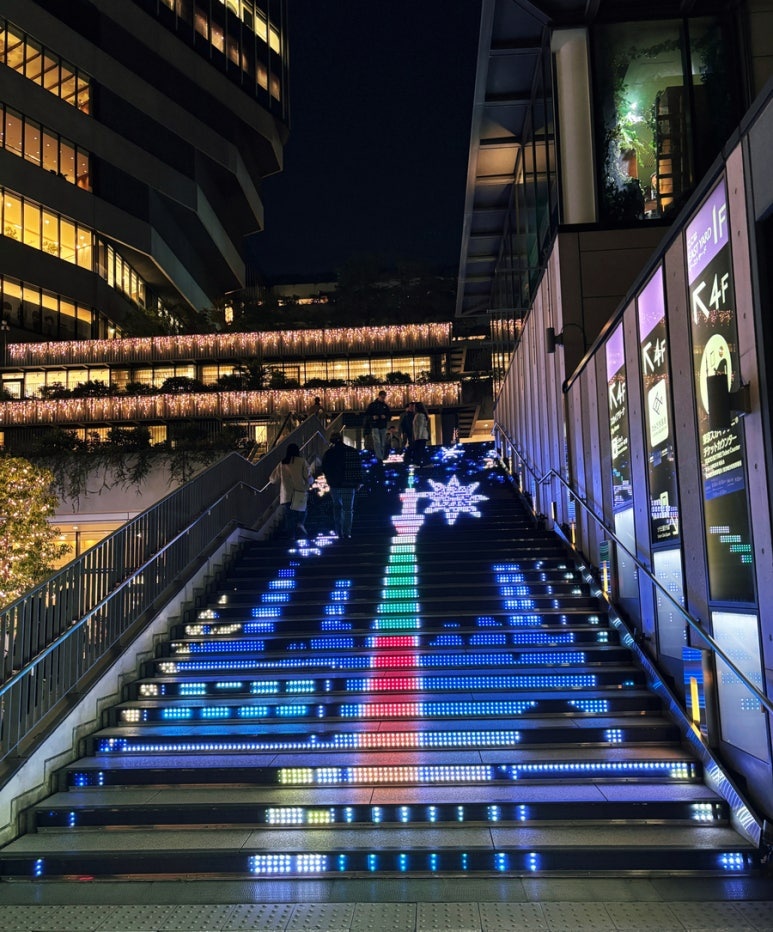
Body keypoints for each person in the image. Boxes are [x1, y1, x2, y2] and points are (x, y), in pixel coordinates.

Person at [321, 432, 363, 539]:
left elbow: (325, 469)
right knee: (348, 509)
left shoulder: (329, 453)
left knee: (337, 508)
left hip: (334, 485)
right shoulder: (351, 451)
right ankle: (346, 532)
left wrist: (329, 481)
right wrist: (358, 482)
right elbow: (357, 467)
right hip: (349, 485)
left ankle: (338, 531)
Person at [270, 443, 312, 539]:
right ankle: (300, 524)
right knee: (302, 511)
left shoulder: (282, 463)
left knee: (289, 516)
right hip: (300, 492)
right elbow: (308, 476)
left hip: (286, 494)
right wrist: (310, 482)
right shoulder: (302, 461)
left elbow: (273, 479)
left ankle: (291, 537)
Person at [364, 390, 390, 460]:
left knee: (381, 442)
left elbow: (389, 416)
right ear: (379, 396)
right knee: (378, 442)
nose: (383, 399)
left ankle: (380, 456)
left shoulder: (384, 406)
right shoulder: (373, 405)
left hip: (381, 425)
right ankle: (380, 457)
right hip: (376, 425)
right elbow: (367, 415)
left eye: (384, 397)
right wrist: (373, 417)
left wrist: (385, 417)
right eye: (382, 397)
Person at [412, 401, 430, 467]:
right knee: (420, 449)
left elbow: (420, 426)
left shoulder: (420, 415)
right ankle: (423, 463)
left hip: (421, 436)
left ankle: (421, 463)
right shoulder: (419, 415)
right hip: (420, 436)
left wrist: (418, 437)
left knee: (420, 449)